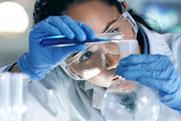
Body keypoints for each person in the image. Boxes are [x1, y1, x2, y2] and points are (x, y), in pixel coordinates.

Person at [1, 0, 181, 121]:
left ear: (126, 13)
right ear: (66, 64)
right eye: (86, 55)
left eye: (113, 34)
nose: (111, 61)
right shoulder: (57, 85)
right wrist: (25, 70)